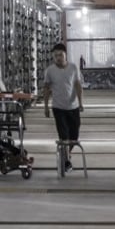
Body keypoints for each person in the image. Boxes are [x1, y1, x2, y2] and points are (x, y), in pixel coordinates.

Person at [42, 43, 84, 171]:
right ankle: (66, 161)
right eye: (55, 56)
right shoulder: (50, 71)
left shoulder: (73, 67)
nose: (58, 58)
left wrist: (81, 102)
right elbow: (46, 89)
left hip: (73, 107)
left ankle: (67, 152)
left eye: (60, 55)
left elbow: (77, 85)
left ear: (65, 55)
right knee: (64, 136)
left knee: (74, 137)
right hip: (58, 108)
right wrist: (46, 107)